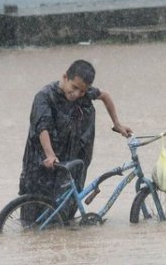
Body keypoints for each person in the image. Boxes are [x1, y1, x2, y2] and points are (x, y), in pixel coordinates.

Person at [18, 59, 132, 219]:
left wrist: (117, 124)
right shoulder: (45, 97)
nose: (77, 94)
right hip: (42, 163)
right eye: (74, 88)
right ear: (65, 77)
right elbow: (42, 128)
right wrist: (50, 155)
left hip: (72, 161)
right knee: (33, 216)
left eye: (82, 91)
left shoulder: (83, 93)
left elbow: (105, 96)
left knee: (65, 212)